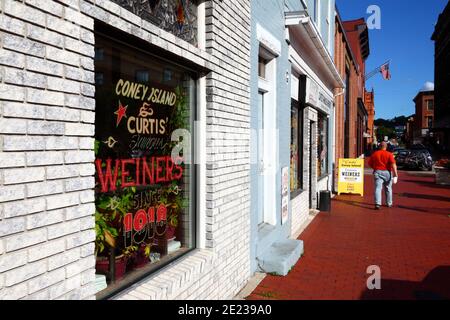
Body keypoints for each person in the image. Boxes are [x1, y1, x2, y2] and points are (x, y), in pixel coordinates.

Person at [368, 141, 399, 210]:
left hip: (378, 172)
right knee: (388, 188)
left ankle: (377, 203)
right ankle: (389, 203)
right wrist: (396, 175)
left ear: (379, 146)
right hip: (387, 172)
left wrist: (375, 168)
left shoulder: (375, 154)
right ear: (386, 147)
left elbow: (369, 163)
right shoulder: (389, 154)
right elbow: (393, 164)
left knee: (378, 188)